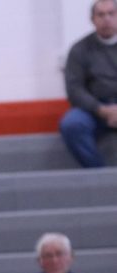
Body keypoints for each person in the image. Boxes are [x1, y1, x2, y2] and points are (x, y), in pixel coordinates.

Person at [60, 0, 117, 168]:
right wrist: (103, 110)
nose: (106, 19)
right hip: (95, 111)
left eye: (111, 13)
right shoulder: (79, 50)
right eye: (101, 14)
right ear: (92, 19)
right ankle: (100, 175)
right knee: (72, 125)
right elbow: (74, 89)